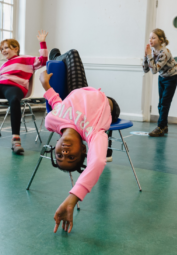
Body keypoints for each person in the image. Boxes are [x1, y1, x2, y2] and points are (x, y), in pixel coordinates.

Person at [40, 48, 120, 233]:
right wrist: (73, 197)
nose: (65, 153)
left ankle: (54, 58)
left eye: (59, 156)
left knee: (71, 56)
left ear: (56, 146)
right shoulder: (93, 133)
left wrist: (46, 87)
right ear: (84, 150)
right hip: (109, 104)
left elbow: (60, 105)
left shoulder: (52, 120)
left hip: (77, 92)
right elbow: (98, 161)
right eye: (71, 157)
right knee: (73, 54)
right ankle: (54, 57)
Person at [143, 29, 177, 137]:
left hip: (171, 78)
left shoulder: (165, 52)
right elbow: (145, 70)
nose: (150, 40)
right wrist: (146, 56)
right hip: (162, 77)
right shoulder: (153, 52)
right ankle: (164, 126)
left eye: (153, 38)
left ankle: (160, 127)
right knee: (160, 104)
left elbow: (154, 70)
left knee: (164, 103)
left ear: (161, 40)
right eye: (150, 37)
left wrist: (149, 56)